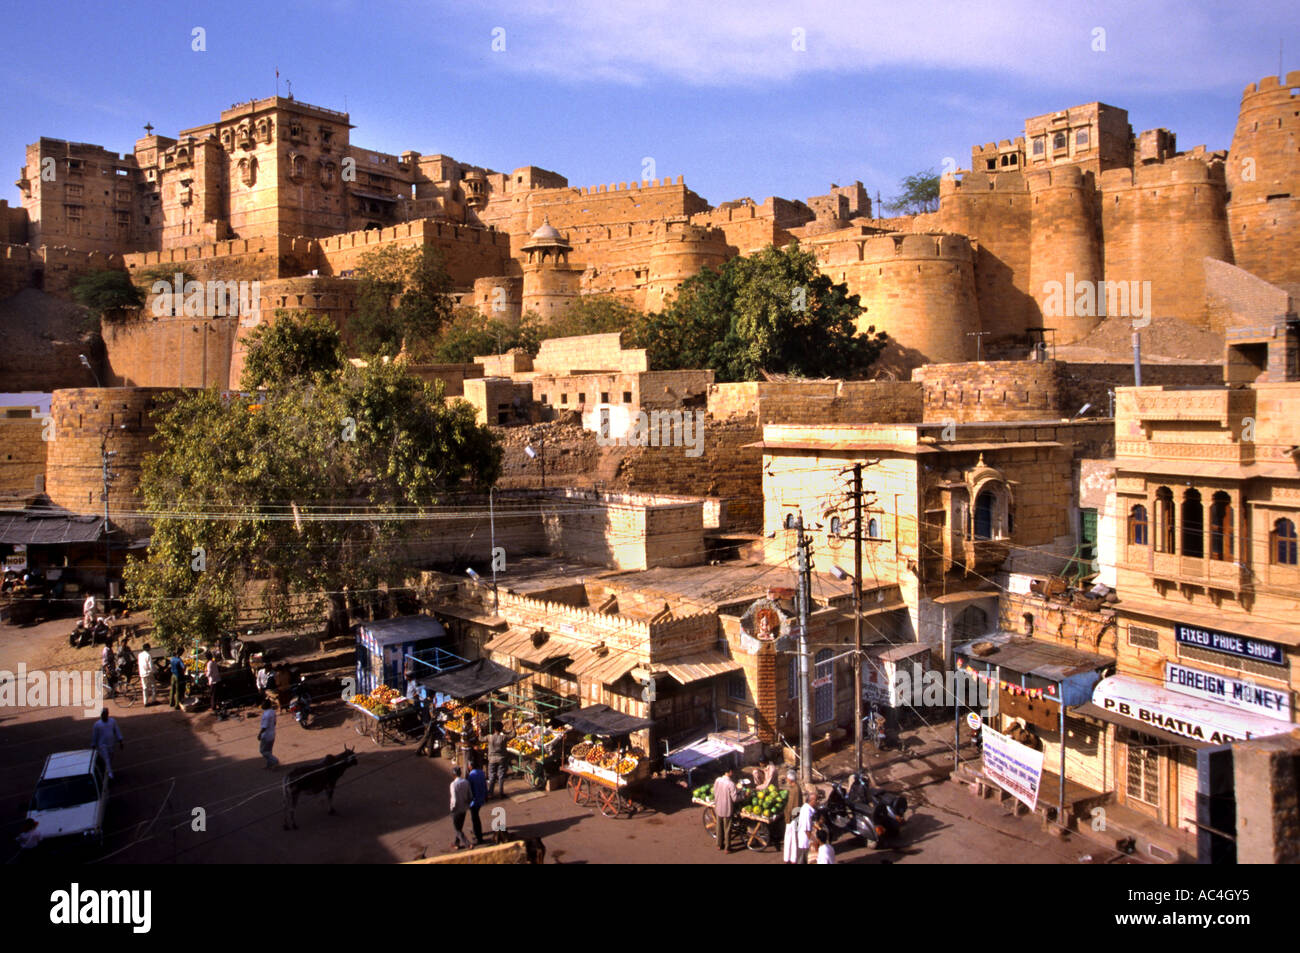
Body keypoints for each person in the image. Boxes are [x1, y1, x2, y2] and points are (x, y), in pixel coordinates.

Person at [91, 708, 124, 779]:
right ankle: (110, 775)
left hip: (111, 744)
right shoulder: (97, 725)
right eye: (103, 714)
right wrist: (93, 744)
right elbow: (95, 735)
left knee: (110, 758)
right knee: (107, 759)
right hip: (102, 745)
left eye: (106, 714)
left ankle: (107, 770)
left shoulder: (112, 721)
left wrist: (120, 740)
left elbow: (117, 730)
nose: (104, 716)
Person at [713, 767, 739, 853]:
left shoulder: (718, 780)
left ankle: (719, 845)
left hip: (718, 807)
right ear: (730, 772)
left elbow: (715, 791)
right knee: (727, 829)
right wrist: (744, 795)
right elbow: (735, 799)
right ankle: (727, 848)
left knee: (719, 826)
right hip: (727, 809)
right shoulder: (731, 784)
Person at [449, 766, 472, 850]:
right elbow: (470, 795)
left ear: (453, 775)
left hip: (456, 809)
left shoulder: (453, 785)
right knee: (459, 826)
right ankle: (456, 843)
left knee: (457, 829)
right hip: (464, 808)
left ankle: (468, 844)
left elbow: (454, 799)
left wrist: (452, 808)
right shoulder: (466, 782)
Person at [794, 789, 819, 865]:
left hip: (805, 840)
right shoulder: (807, 812)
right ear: (812, 801)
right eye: (816, 800)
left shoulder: (807, 809)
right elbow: (807, 830)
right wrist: (813, 841)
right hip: (805, 842)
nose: (817, 802)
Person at [467, 761, 488, 845]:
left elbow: (470, 790)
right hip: (481, 798)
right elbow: (485, 785)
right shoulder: (481, 773)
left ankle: (479, 836)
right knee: (475, 817)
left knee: (475, 818)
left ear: (470, 767)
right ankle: (476, 832)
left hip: (474, 801)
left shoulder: (471, 776)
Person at [486, 722, 507, 800]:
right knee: (501, 776)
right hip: (501, 759)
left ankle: (490, 793)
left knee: (492, 776)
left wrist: (480, 732)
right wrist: (511, 728)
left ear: (494, 729)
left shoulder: (489, 737)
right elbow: (513, 735)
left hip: (491, 759)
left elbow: (480, 738)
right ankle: (501, 793)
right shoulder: (503, 737)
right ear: (501, 729)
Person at [257, 698, 279, 768]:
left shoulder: (266, 714)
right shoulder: (272, 712)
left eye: (263, 704)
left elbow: (264, 727)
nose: (262, 705)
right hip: (272, 734)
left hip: (266, 735)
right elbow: (274, 723)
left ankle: (274, 761)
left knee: (263, 751)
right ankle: (269, 765)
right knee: (269, 750)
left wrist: (260, 734)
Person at [137, 642, 157, 706]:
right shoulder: (148, 655)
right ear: (147, 648)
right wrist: (154, 671)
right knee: (153, 686)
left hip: (142, 673)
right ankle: (153, 700)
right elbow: (150, 665)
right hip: (148, 673)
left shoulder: (140, 655)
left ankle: (145, 702)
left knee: (144, 688)